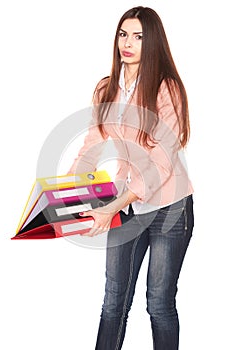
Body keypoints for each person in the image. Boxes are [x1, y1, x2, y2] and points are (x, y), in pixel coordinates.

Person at [68, 6, 194, 350]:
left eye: (138, 36)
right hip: (125, 204)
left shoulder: (167, 89)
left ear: (152, 42)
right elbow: (92, 145)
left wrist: (112, 207)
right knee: (113, 303)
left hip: (170, 208)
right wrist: (62, 194)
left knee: (159, 304)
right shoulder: (106, 89)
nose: (128, 42)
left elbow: (159, 161)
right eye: (123, 34)